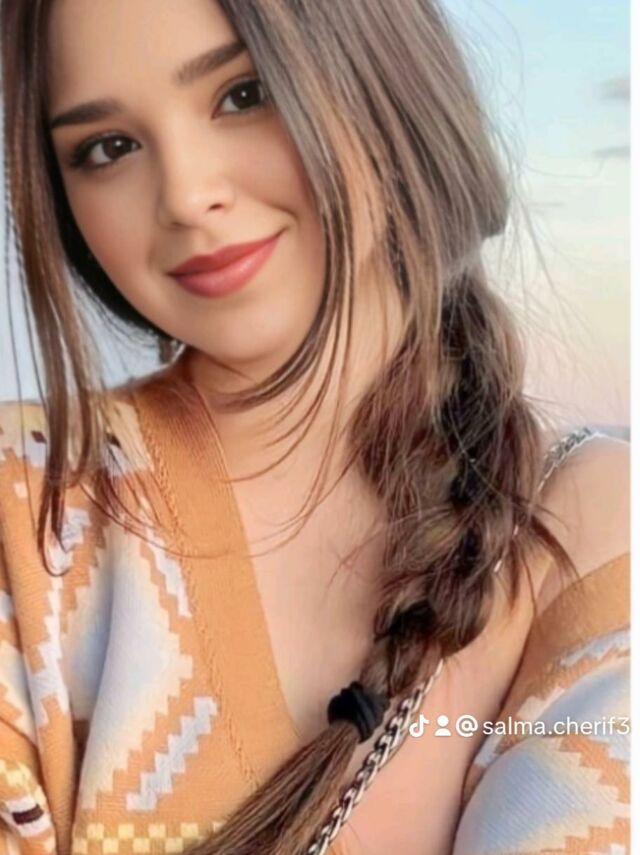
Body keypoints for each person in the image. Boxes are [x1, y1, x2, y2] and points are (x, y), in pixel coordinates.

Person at [0, 1, 629, 854]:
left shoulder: (594, 529)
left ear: (381, 71)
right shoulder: (26, 513)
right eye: (107, 147)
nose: (186, 196)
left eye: (243, 93)